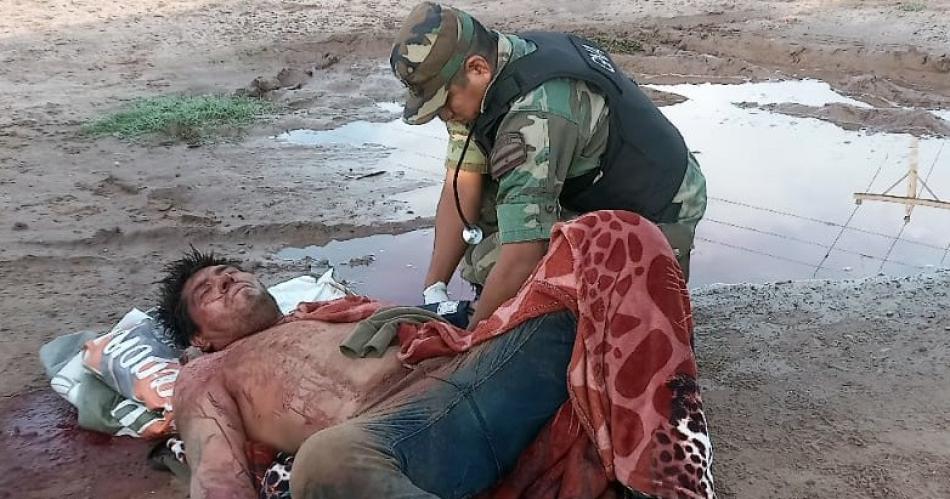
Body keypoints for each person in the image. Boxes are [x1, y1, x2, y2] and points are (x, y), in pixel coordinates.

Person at [157, 249, 578, 499]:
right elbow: (218, 475)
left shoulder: (326, 313)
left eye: (229, 273)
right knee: (323, 462)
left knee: (585, 246)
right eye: (206, 291)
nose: (226, 282)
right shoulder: (205, 372)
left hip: (481, 375)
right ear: (200, 339)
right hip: (404, 438)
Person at [390, 2, 707, 326]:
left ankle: (587, 310)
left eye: (444, 102)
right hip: (594, 188)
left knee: (501, 264)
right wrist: (434, 289)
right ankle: (503, 306)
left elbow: (524, 254)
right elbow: (461, 183)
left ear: (477, 69)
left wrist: (472, 338)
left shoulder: (534, 117)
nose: (444, 115)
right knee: (487, 218)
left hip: (659, 212)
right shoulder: (493, 65)